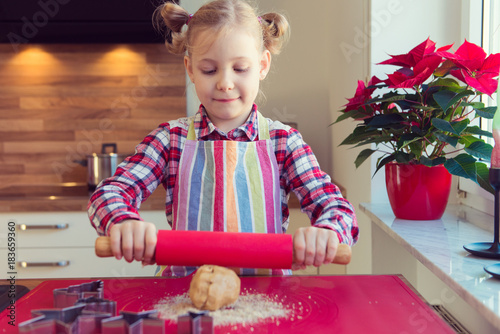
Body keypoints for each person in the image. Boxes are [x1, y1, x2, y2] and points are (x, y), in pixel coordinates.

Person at [88, 0, 358, 277]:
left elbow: (336, 207)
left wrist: (327, 231)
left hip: (269, 299)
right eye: (209, 70)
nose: (225, 83)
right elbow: (108, 194)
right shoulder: (170, 140)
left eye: (240, 68)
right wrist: (123, 222)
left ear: (262, 65)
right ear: (190, 69)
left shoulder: (284, 142)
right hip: (182, 298)